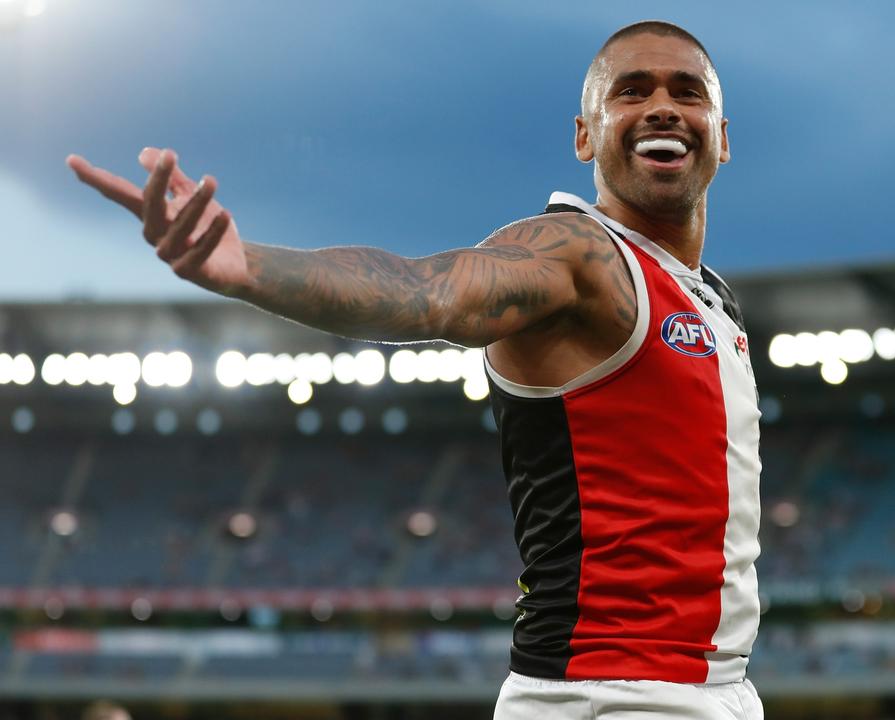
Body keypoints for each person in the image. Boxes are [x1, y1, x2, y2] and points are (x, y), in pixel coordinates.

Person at [68, 19, 763, 720]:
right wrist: (248, 265)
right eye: (631, 91)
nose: (663, 107)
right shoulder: (579, 255)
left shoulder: (713, 302)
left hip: (715, 691)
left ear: (723, 136)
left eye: (688, 92)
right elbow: (428, 291)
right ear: (585, 134)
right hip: (615, 695)